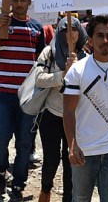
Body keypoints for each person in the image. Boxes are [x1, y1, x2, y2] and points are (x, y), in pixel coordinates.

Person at [0, 0, 45, 200]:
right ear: (10, 2)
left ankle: (19, 184)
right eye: (16, 0)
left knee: (24, 143)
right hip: (3, 93)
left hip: (28, 96)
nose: (19, 4)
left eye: (23, 0)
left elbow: (41, 62)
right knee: (1, 137)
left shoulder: (37, 28)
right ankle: (1, 171)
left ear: (29, 2)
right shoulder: (1, 24)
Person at [63, 14, 108, 202]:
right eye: (100, 35)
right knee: (80, 198)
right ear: (90, 40)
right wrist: (72, 145)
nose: (105, 40)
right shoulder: (77, 70)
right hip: (84, 150)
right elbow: (68, 110)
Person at [36, 17, 87, 202]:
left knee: (70, 161)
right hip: (51, 114)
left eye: (74, 29)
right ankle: (46, 188)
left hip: (73, 118)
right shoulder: (49, 53)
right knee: (51, 159)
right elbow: (39, 78)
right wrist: (62, 75)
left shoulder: (85, 57)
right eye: (66, 29)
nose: (70, 34)